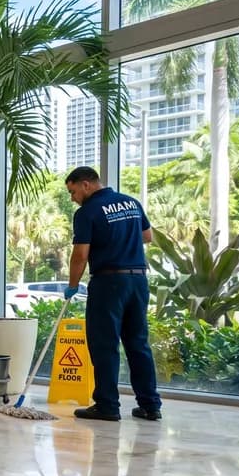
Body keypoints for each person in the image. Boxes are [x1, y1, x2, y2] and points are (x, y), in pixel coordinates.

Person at [63, 166, 162, 421]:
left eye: (73, 192)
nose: (73, 198)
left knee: (104, 344)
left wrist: (73, 284)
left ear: (86, 185)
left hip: (109, 282)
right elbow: (147, 236)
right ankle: (150, 405)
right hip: (138, 281)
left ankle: (107, 405)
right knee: (138, 343)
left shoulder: (87, 212)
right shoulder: (131, 202)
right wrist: (122, 238)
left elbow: (80, 255)